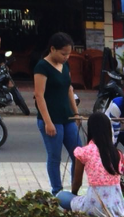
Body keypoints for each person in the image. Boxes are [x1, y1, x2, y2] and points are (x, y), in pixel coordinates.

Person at [34, 32, 82, 196]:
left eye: (68, 54)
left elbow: (69, 89)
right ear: (52, 49)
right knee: (55, 157)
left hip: (68, 117)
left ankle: (74, 190)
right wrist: (48, 122)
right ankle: (57, 192)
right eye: (63, 54)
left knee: (78, 155)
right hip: (51, 119)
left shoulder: (65, 65)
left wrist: (76, 113)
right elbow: (39, 95)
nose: (66, 57)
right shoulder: (42, 67)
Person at [56, 112, 124, 217]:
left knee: (60, 196)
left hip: (94, 208)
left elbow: (77, 182)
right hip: (116, 208)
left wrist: (73, 195)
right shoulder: (117, 154)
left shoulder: (84, 152)